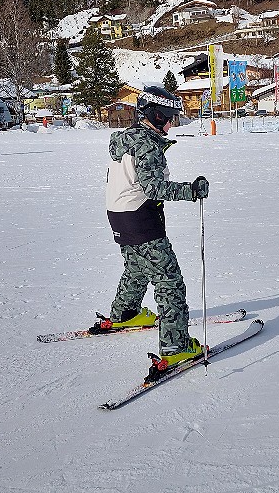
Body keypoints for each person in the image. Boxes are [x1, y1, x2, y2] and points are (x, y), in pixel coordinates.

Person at [97, 85, 210, 374]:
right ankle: (177, 347)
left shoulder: (128, 140)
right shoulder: (147, 144)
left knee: (136, 268)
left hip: (119, 216)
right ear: (156, 115)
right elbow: (154, 187)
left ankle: (126, 313)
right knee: (169, 282)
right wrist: (191, 190)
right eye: (170, 117)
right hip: (141, 217)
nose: (172, 123)